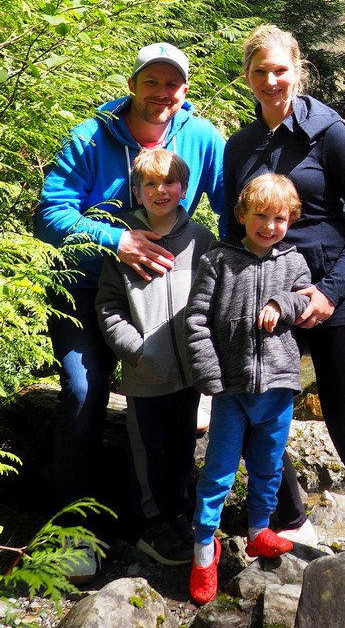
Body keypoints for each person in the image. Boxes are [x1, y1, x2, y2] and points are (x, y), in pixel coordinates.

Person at [34, 43, 225, 582]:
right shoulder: (90, 137)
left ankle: (173, 513)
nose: (163, 94)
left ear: (184, 89)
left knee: (185, 397)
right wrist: (116, 239)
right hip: (85, 288)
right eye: (153, 82)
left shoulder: (201, 137)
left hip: (167, 302)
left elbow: (233, 208)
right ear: (134, 83)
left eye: (173, 84)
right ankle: (71, 528)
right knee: (81, 390)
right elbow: (49, 215)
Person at [222, 24, 345, 552]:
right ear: (248, 77)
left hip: (340, 289)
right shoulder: (239, 147)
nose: (271, 80)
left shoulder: (328, 132)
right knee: (248, 407)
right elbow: (230, 229)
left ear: (297, 71)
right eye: (260, 71)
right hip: (270, 296)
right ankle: (291, 519)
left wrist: (328, 291)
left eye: (280, 69)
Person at [184, 173, 312, 606]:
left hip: (276, 387)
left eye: (279, 218)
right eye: (260, 215)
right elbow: (196, 321)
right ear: (242, 215)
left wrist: (283, 303)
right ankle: (205, 549)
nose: (269, 226)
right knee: (217, 472)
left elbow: (304, 300)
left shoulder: (294, 261)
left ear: (290, 219)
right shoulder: (219, 259)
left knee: (268, 466)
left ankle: (259, 531)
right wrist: (210, 377)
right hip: (230, 389)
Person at [96, 149, 215, 566]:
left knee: (183, 446)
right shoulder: (124, 241)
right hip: (146, 373)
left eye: (169, 182)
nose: (160, 191)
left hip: (189, 376)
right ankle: (150, 524)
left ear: (184, 189)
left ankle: (179, 512)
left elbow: (216, 300)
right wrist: (136, 349)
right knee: (147, 450)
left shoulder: (201, 239)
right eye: (150, 184)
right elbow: (109, 307)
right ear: (138, 192)